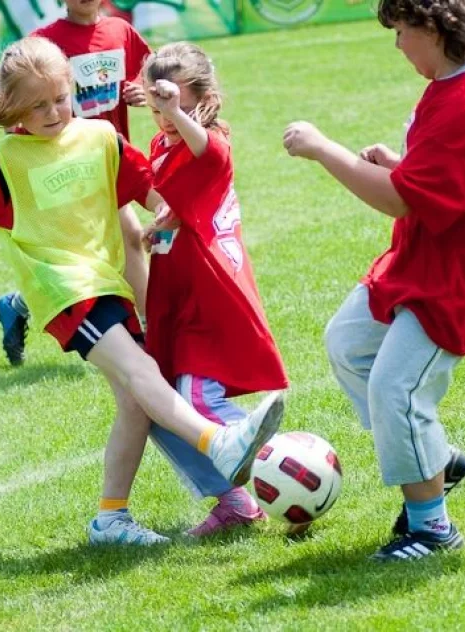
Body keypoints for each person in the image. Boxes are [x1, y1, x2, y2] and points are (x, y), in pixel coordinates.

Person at [0, 37, 284, 545]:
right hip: (63, 291)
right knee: (143, 371)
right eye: (37, 106)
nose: (53, 113)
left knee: (137, 402)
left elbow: (153, 191)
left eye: (60, 98)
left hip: (108, 283)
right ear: (14, 108)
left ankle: (111, 520)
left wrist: (178, 210)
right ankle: (219, 442)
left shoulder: (100, 138)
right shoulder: (1, 161)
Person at [282, 0, 465, 560]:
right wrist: (402, 164)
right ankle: (435, 460)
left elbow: (398, 201)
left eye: (400, 31)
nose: (397, 44)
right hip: (432, 247)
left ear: (434, 27)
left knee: (396, 387)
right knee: (349, 343)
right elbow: (442, 179)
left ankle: (432, 528)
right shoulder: (448, 85)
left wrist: (324, 149)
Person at [139, 43, 289, 537]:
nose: (165, 118)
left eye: (176, 105)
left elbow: (209, 154)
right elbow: (184, 196)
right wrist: (164, 222)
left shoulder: (213, 140)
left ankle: (291, 466)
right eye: (156, 108)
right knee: (158, 408)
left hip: (210, 293)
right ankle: (235, 503)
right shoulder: (164, 142)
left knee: (197, 403)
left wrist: (176, 113)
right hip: (177, 290)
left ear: (203, 100)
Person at [0, 0, 152, 366]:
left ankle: (18, 305)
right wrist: (19, 117)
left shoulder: (120, 31)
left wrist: (142, 89)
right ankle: (147, 334)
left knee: (114, 247)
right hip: (68, 171)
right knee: (117, 241)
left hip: (110, 161)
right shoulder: (43, 43)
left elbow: (147, 71)